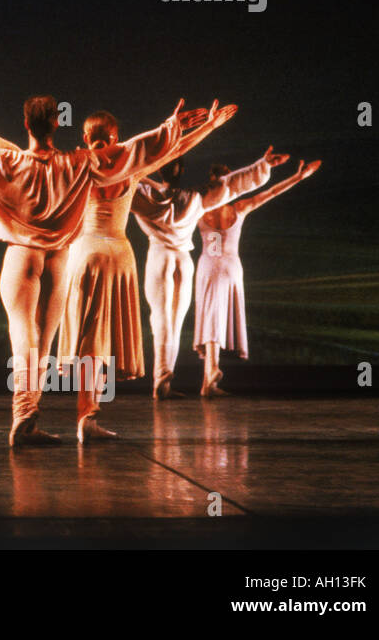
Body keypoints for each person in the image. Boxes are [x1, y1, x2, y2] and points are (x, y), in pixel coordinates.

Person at [0, 94, 208, 446]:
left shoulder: (6, 161)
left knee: (24, 338)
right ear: (57, 124)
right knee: (42, 345)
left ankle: (25, 415)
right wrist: (172, 127)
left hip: (22, 258)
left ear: (25, 124)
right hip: (57, 260)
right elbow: (133, 152)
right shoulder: (77, 164)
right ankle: (26, 416)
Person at [53, 105, 234, 442]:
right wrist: (208, 126)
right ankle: (88, 415)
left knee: (91, 336)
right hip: (117, 254)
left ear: (85, 137)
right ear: (115, 137)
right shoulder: (128, 167)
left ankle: (86, 412)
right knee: (102, 337)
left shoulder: (75, 164)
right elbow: (173, 148)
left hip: (85, 252)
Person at [131, 147, 288, 399]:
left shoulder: (147, 198)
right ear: (181, 171)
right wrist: (263, 166)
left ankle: (162, 376)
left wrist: (138, 172)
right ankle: (164, 377)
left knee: (162, 318)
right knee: (175, 320)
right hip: (183, 260)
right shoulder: (195, 199)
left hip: (161, 257)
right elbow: (234, 186)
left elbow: (129, 181)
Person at [194, 158, 321, 396]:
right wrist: (298, 177)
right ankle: (208, 379)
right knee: (216, 318)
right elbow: (271, 192)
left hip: (209, 266)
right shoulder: (239, 207)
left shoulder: (199, 208)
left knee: (212, 316)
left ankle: (209, 375)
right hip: (229, 266)